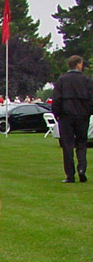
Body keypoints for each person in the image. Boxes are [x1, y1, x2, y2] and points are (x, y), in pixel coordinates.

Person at [51, 54, 93, 183]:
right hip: (82, 116)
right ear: (79, 65)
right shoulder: (87, 81)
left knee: (67, 145)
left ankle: (70, 175)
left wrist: (56, 114)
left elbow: (56, 99)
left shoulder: (62, 80)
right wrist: (89, 112)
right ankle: (82, 168)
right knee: (81, 143)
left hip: (66, 116)